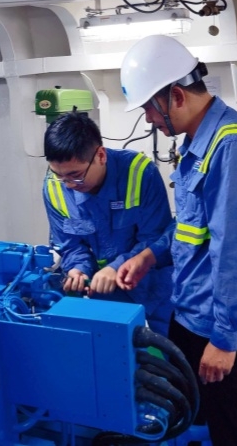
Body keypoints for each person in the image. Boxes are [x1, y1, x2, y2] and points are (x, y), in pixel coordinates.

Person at [115, 35, 237, 445]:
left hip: (220, 323)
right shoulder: (197, 142)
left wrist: (225, 339)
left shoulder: (232, 146)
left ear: (175, 96)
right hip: (192, 310)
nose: (149, 121)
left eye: (149, 109)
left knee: (231, 428)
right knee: (195, 410)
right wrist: (149, 256)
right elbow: (192, 225)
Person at [42, 112, 174, 336]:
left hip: (152, 285)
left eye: (76, 175)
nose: (69, 185)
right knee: (112, 349)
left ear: (101, 156)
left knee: (168, 348)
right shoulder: (55, 188)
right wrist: (78, 270)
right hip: (102, 291)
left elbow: (155, 237)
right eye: (59, 175)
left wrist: (116, 267)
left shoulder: (139, 173)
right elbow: (70, 245)